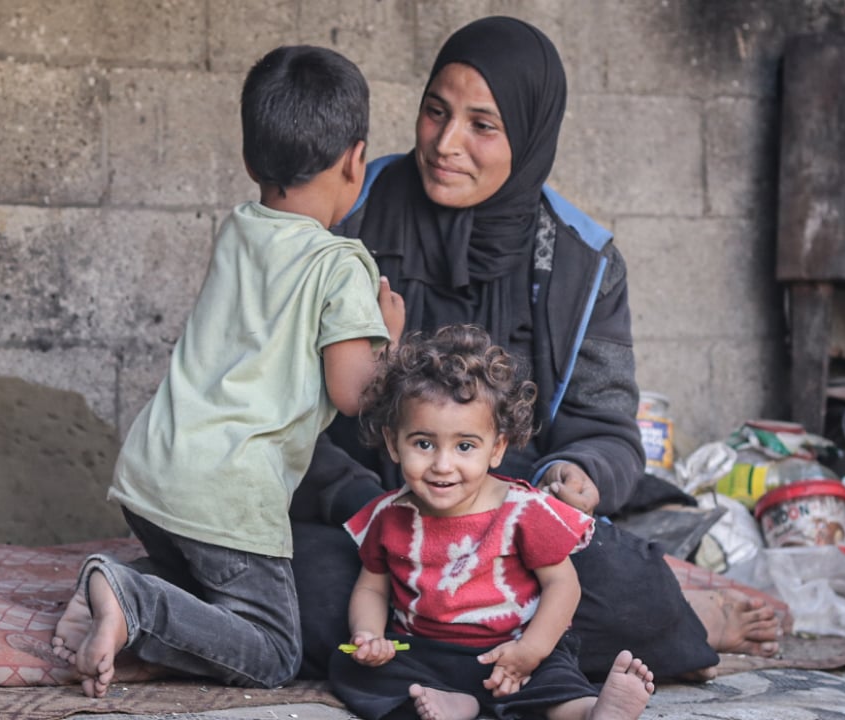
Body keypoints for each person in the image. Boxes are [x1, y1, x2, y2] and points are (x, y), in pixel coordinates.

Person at [289, 15, 782, 682]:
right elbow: (279, 405)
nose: (446, 143)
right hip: (363, 522)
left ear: (529, 133)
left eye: (482, 125)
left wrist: (576, 474)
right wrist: (363, 505)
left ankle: (672, 620)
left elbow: (608, 430)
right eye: (435, 111)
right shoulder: (346, 213)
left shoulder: (581, 262)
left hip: (511, 536)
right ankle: (487, 651)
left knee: (626, 591)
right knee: (310, 600)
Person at [49, 44, 405, 698]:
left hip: (155, 474)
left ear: (248, 160)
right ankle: (132, 598)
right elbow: (354, 390)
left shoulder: (239, 228)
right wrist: (388, 337)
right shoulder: (340, 264)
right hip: (228, 496)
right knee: (273, 650)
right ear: (356, 161)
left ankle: (118, 592)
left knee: (207, 584)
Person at [330, 325, 655, 720]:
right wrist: (368, 635)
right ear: (393, 442)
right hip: (425, 653)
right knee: (354, 668)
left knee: (552, 678)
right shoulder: (388, 515)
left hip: (511, 648)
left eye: (465, 446)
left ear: (497, 448)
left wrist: (530, 651)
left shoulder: (522, 510)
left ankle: (591, 710)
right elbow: (371, 588)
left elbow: (563, 586)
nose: (443, 464)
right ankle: (455, 702)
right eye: (423, 443)